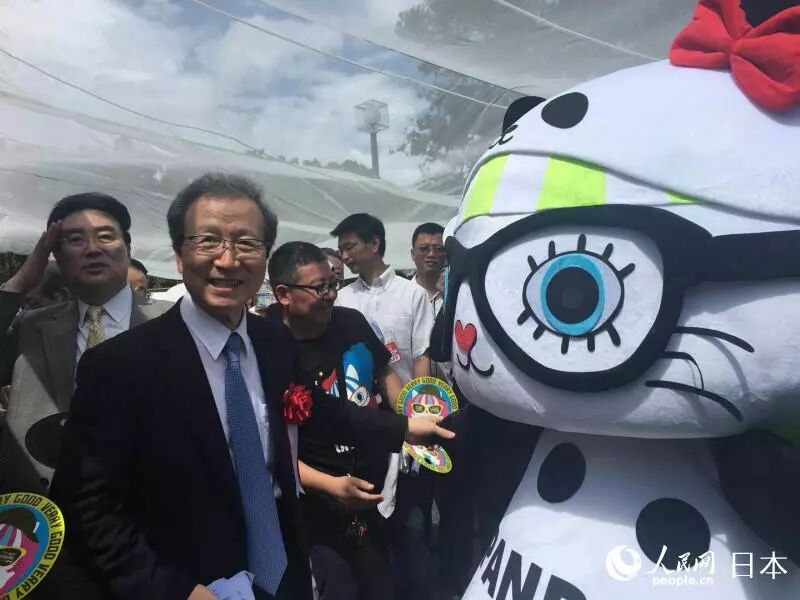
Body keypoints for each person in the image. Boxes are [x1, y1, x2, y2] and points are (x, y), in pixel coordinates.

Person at [51, 173, 453, 600]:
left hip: (283, 569)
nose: (227, 261)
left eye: (246, 243)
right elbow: (89, 510)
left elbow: (317, 408)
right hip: (191, 578)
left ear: (263, 258)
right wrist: (175, 591)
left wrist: (403, 428)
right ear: (179, 255)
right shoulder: (119, 366)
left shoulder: (273, 341)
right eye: (208, 241)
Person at [0, 192, 171, 497]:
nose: (92, 249)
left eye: (105, 236)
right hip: (48, 505)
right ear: (56, 254)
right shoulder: (32, 327)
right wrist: (19, 283)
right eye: (75, 240)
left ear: (128, 248)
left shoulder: (175, 322)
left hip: (151, 498)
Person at [266, 241, 404, 600]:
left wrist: (407, 418)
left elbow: (385, 374)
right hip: (313, 505)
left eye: (333, 284)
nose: (330, 295)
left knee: (383, 586)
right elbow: (271, 445)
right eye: (319, 288)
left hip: (373, 491)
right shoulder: (266, 345)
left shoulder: (352, 322)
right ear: (283, 294)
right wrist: (330, 485)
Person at [333, 213, 433, 385]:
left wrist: (418, 398)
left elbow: (421, 357)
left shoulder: (413, 294)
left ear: (374, 244)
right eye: (341, 251)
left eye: (349, 247)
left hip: (406, 397)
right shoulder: (342, 298)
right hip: (360, 398)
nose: (344, 257)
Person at [410, 222, 450, 384]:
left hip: (453, 389)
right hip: (412, 391)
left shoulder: (458, 296)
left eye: (438, 249)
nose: (431, 254)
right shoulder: (402, 296)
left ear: (446, 254)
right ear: (413, 254)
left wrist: (448, 297)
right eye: (424, 249)